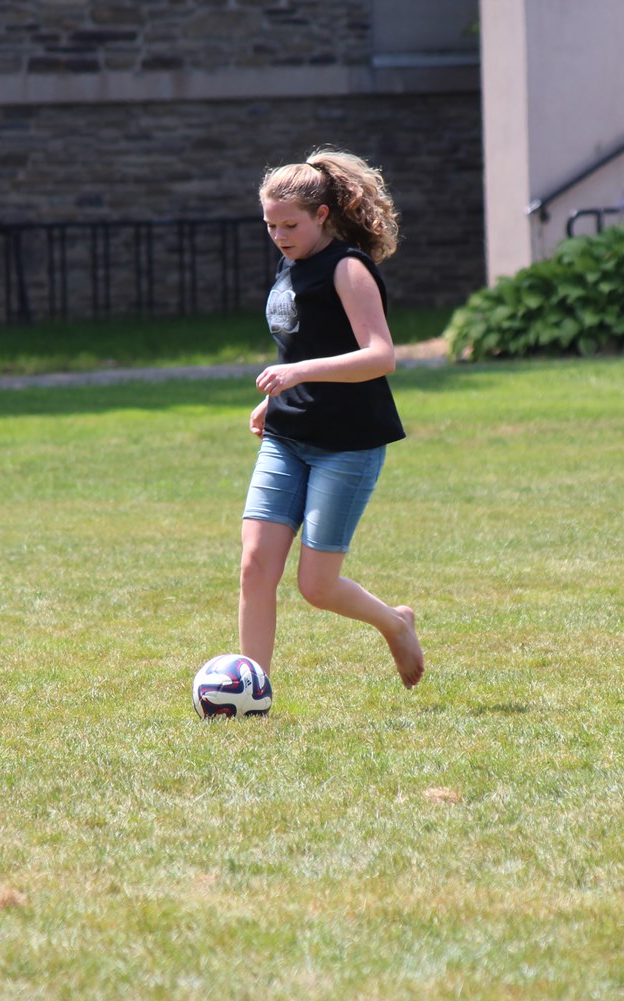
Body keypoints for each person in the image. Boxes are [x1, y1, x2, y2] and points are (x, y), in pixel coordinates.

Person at [237, 148, 425, 690]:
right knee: (254, 566)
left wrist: (297, 374)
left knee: (317, 587)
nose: (279, 236)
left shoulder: (348, 268)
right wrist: (277, 396)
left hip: (347, 443)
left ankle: (396, 623)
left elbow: (380, 355)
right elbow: (306, 341)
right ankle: (251, 692)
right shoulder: (290, 262)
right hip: (288, 435)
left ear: (322, 215)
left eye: (290, 225)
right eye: (270, 225)